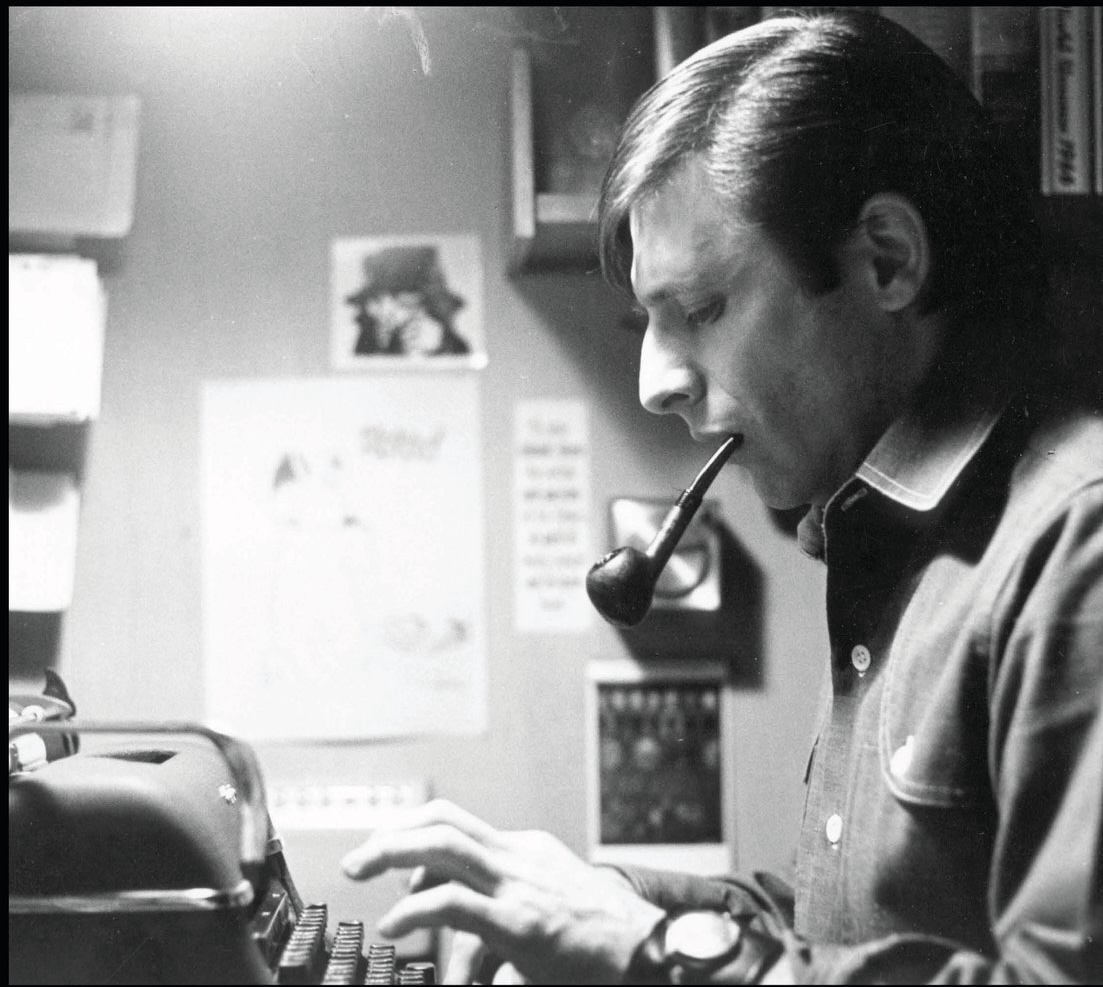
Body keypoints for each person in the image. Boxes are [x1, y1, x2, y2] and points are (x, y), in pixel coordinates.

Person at [340, 10, 1103, 983]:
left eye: (699, 310)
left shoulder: (1072, 539)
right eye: (646, 324)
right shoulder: (885, 535)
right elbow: (857, 940)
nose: (655, 385)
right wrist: (615, 900)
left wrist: (648, 949)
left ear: (886, 259)